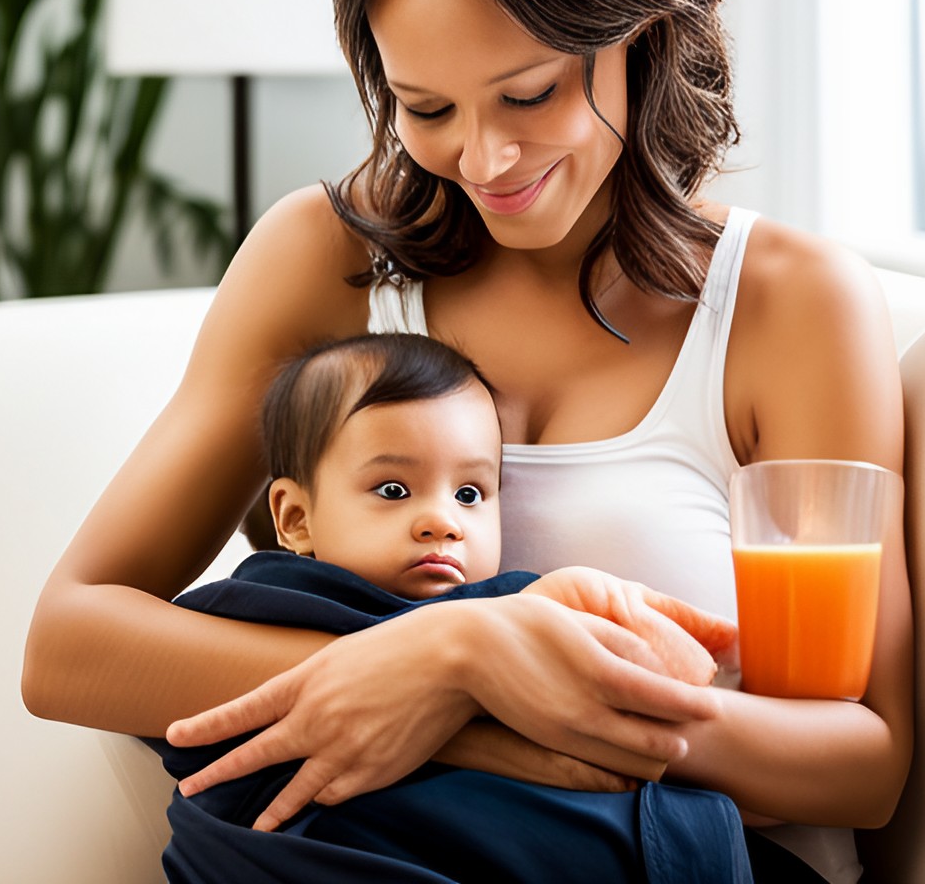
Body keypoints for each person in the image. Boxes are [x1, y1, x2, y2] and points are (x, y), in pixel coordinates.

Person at [22, 0, 913, 882]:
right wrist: (459, 658)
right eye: (426, 106)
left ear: (636, 28)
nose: (486, 159)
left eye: (526, 92)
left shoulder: (789, 307)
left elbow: (864, 763)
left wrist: (473, 674)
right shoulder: (322, 260)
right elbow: (69, 643)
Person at [149, 331, 749, 881]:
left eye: (469, 494)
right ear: (296, 518)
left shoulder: (522, 606)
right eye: (393, 490)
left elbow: (653, 695)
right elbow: (181, 718)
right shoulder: (260, 607)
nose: (442, 521)